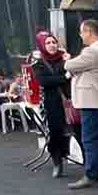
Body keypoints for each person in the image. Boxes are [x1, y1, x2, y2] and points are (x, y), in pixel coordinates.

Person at [64, 19, 98, 189]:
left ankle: (91, 175)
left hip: (93, 103)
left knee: (90, 141)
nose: (81, 36)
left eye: (82, 32)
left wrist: (67, 58)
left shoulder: (92, 52)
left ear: (89, 32)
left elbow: (69, 65)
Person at [31, 31, 72, 178]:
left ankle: (88, 164)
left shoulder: (65, 58)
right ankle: (57, 162)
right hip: (50, 103)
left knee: (76, 131)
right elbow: (44, 81)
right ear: (42, 45)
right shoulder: (38, 62)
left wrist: (69, 63)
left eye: (54, 42)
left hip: (69, 101)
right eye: (48, 43)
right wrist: (64, 77)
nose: (52, 45)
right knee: (54, 133)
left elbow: (73, 74)